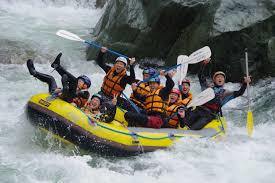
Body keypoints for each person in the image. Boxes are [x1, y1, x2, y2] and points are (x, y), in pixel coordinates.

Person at [184, 58, 252, 130]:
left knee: (193, 128)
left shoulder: (226, 93)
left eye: (222, 77)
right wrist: (203, 64)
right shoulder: (207, 88)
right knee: (184, 123)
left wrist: (245, 83)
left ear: (224, 81)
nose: (220, 78)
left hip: (209, 115)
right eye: (218, 77)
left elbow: (239, 93)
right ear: (214, 80)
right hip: (198, 110)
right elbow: (200, 75)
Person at [26, 55, 91, 108]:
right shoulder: (74, 86)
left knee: (73, 83)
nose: (78, 82)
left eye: (80, 81)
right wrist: (59, 90)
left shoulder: (86, 93)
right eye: (78, 81)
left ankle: (57, 67)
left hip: (69, 102)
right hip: (60, 95)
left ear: (85, 85)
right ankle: (34, 73)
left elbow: (79, 96)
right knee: (51, 79)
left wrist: (62, 91)